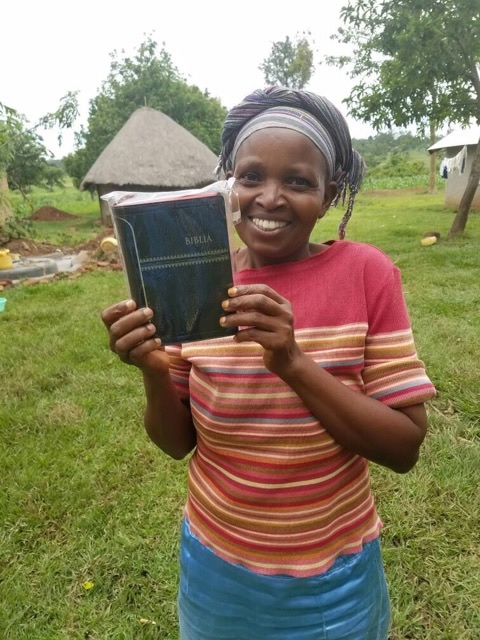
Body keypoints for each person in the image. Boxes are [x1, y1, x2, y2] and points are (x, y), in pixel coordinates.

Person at [101, 85, 436, 639]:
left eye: (299, 181)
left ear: (329, 196)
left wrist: (292, 362)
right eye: (251, 176)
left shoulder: (366, 275)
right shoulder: (197, 278)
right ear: (228, 187)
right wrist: (154, 371)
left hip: (332, 577)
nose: (270, 197)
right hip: (216, 565)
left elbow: (403, 447)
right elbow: (176, 443)